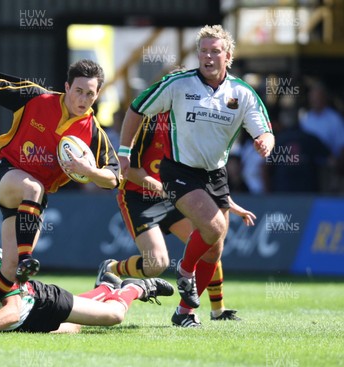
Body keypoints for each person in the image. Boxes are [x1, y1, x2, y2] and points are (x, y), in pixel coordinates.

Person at [0, 59, 120, 326]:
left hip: (31, 204)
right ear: (67, 87)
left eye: (90, 94)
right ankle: (27, 258)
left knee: (9, 271)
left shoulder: (93, 133)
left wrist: (89, 171)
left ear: (98, 94)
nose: (83, 99)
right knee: (32, 188)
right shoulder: (37, 97)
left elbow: (114, 178)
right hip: (4, 175)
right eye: (78, 90)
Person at [118, 25, 274, 327]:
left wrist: (265, 141)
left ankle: (185, 313)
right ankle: (185, 271)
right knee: (213, 227)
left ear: (228, 56)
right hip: (178, 172)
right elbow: (137, 108)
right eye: (203, 51)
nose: (208, 56)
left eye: (215, 51)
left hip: (215, 175)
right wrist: (124, 151)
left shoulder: (241, 93)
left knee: (215, 247)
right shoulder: (178, 84)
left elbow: (263, 129)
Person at [97, 111, 257, 324]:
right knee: (157, 263)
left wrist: (228, 203)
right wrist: (163, 189)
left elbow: (206, 174)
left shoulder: (194, 126)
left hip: (173, 196)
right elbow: (129, 171)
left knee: (210, 241)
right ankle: (110, 269)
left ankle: (216, 311)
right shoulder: (149, 124)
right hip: (139, 198)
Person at [0, 245, 174, 335]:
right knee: (75, 328)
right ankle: (107, 283)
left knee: (113, 316)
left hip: (40, 304)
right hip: (18, 330)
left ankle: (134, 287)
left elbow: (13, 311)